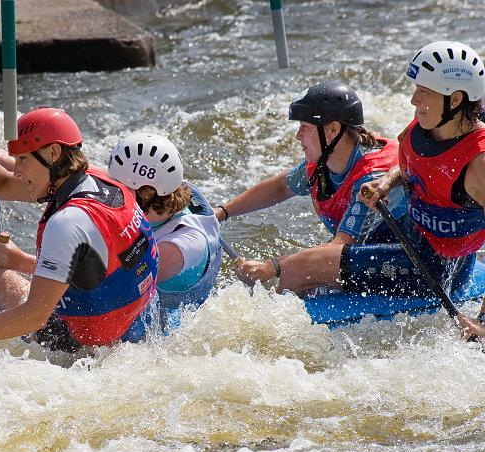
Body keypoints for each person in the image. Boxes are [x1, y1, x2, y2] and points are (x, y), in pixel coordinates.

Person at [0, 107, 159, 352]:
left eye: (23, 159)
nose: (17, 170)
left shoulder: (67, 223)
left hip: (81, 346)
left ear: (53, 153)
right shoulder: (104, 180)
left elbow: (34, 317)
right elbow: (0, 185)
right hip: (133, 323)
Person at [216, 81, 406, 293]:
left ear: (333, 129)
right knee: (296, 272)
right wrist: (222, 213)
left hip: (404, 261)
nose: (298, 136)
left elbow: (340, 246)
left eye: (304, 127)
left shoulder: (371, 177)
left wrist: (273, 267)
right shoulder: (323, 165)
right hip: (368, 252)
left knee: (297, 271)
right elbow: (280, 187)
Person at [354, 41, 485, 337]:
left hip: (438, 265)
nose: (414, 100)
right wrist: (388, 181)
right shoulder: (430, 126)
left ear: (454, 100)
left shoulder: (480, 163)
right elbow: (418, 165)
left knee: (300, 268)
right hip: (411, 232)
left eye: (424, 92)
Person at [106, 133, 221, 324]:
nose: (112, 193)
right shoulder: (167, 187)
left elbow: (116, 292)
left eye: (119, 189)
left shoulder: (182, 243)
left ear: (145, 193)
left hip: (172, 317)